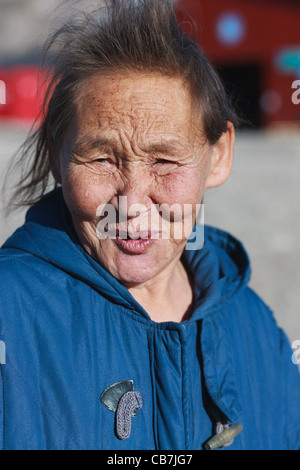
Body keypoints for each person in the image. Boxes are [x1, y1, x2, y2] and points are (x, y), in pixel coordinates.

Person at [0, 0, 299, 451]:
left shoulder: (256, 331)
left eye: (164, 160)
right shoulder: (10, 315)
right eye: (101, 159)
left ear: (218, 156)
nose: (133, 202)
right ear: (56, 157)